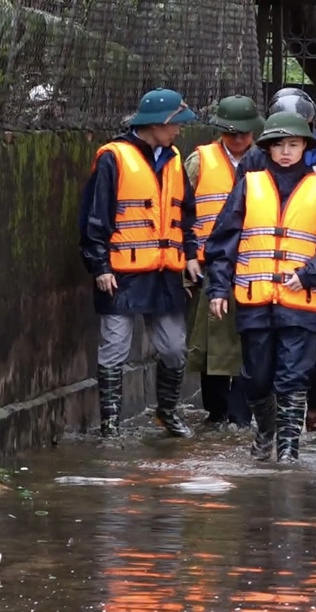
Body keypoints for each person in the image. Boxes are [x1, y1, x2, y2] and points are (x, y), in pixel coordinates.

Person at [204, 112, 316, 462]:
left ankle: (288, 449)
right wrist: (219, 289)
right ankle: (266, 430)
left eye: (293, 144)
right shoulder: (249, 185)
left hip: (302, 299)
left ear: (305, 147)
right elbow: (223, 241)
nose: (286, 151)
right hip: (255, 299)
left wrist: (309, 273)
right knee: (256, 378)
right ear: (267, 148)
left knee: (293, 376)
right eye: (279, 145)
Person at [237, 87, 316, 433]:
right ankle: (266, 422)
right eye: (281, 140)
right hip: (264, 278)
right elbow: (237, 216)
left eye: (298, 135)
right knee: (259, 360)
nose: (288, 147)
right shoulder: (255, 160)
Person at [80, 87, 200, 438]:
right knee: (115, 347)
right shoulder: (112, 158)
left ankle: (166, 412)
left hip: (165, 271)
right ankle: (111, 425)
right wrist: (99, 266)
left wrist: (190, 255)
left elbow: (185, 214)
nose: (179, 130)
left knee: (175, 347)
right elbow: (94, 216)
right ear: (157, 123)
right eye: (174, 124)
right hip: (120, 272)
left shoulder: (175, 158)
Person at [183, 95, 263, 429]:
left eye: (245, 132)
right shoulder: (199, 161)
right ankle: (215, 413)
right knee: (210, 343)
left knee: (249, 342)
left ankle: (241, 414)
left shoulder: (266, 159)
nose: (240, 139)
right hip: (208, 265)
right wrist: (188, 257)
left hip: (253, 265)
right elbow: (181, 210)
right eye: (232, 133)